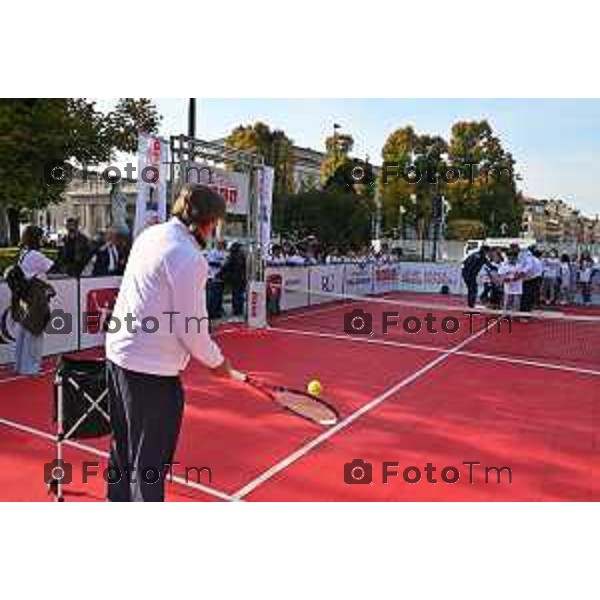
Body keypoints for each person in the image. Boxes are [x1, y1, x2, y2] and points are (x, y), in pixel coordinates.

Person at [105, 184, 239, 502]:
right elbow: (192, 328)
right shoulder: (189, 258)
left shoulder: (151, 236)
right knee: (149, 463)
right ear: (206, 222)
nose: (216, 229)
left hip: (119, 355)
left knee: (122, 447)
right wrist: (217, 362)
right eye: (216, 222)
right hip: (151, 371)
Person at [8, 226, 55, 375]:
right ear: (36, 238)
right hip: (36, 296)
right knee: (35, 331)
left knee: (24, 331)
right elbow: (52, 267)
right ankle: (31, 367)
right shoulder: (36, 255)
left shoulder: (24, 253)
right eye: (41, 237)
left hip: (26, 295)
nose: (43, 240)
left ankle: (21, 365)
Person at [218, 242, 247, 317]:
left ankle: (236, 310)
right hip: (241, 278)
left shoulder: (233, 256)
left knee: (236, 294)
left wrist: (220, 273)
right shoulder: (242, 256)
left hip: (235, 278)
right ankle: (239, 310)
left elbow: (226, 266)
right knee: (239, 295)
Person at [206, 240, 227, 319]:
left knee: (219, 297)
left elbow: (226, 263)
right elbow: (209, 262)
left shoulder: (224, 253)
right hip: (212, 278)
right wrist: (220, 264)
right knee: (211, 297)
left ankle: (217, 312)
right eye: (220, 244)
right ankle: (211, 313)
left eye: (222, 244)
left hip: (221, 278)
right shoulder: (212, 252)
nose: (221, 245)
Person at [498, 250, 523, 314]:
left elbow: (521, 275)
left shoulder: (519, 264)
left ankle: (515, 316)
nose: (511, 258)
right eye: (509, 256)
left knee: (516, 303)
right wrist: (508, 278)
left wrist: (512, 278)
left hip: (517, 287)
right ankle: (505, 315)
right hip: (508, 287)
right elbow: (501, 276)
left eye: (513, 257)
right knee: (507, 303)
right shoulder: (503, 264)